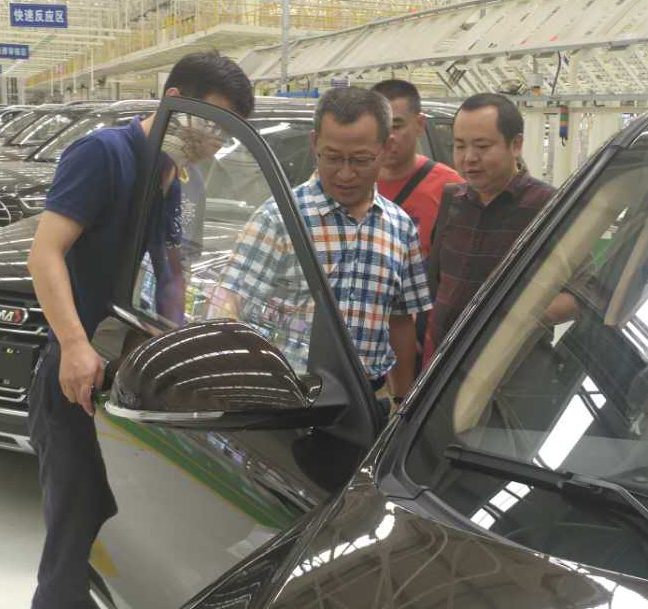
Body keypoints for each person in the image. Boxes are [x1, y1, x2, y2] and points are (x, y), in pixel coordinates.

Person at [15, 51, 255, 609]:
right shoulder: (105, 156)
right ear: (174, 99)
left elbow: (169, 273)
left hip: (126, 387)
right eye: (208, 124)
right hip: (75, 385)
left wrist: (180, 343)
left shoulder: (171, 177)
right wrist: (73, 343)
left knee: (133, 555)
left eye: (224, 135)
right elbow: (45, 253)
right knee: (73, 558)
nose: (213, 143)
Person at [215, 87, 430, 404]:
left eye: (361, 160)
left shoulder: (400, 227)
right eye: (332, 157)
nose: (345, 173)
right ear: (315, 143)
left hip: (368, 404)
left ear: (385, 149)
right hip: (290, 401)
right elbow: (228, 304)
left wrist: (402, 401)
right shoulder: (279, 219)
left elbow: (400, 321)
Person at [424, 93, 557, 365]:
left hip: (508, 371)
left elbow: (583, 292)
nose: (469, 158)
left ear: (515, 145)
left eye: (482, 146)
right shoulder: (452, 199)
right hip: (443, 368)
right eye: (459, 146)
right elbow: (438, 280)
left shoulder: (547, 207)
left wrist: (510, 320)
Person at [370, 79, 462, 255]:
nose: (388, 137)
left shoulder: (451, 188)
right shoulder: (350, 182)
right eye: (380, 127)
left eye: (396, 126)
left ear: (419, 125)